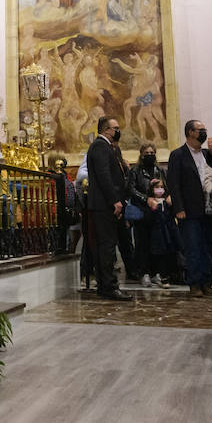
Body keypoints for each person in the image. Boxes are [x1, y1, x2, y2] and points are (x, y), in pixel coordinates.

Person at [167, 119, 212, 295]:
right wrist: (179, 208)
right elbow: (174, 184)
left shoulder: (205, 154)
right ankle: (194, 283)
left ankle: (206, 282)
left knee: (206, 247)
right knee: (193, 247)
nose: (203, 133)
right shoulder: (178, 155)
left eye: (204, 129)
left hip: (207, 209)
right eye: (200, 130)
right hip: (188, 210)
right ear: (190, 132)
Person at [85, 116, 130, 300]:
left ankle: (106, 285)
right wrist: (114, 200)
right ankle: (108, 286)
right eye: (115, 128)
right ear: (106, 130)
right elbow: (104, 175)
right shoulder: (100, 146)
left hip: (106, 204)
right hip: (104, 205)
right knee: (107, 246)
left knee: (108, 245)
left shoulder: (106, 147)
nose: (118, 131)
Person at [127, 141, 162, 285]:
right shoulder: (135, 171)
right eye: (146, 153)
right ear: (141, 155)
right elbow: (131, 189)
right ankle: (144, 272)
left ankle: (155, 272)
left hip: (156, 211)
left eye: (152, 153)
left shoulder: (159, 171)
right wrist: (145, 199)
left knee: (156, 243)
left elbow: (165, 185)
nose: (149, 156)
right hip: (141, 211)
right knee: (142, 243)